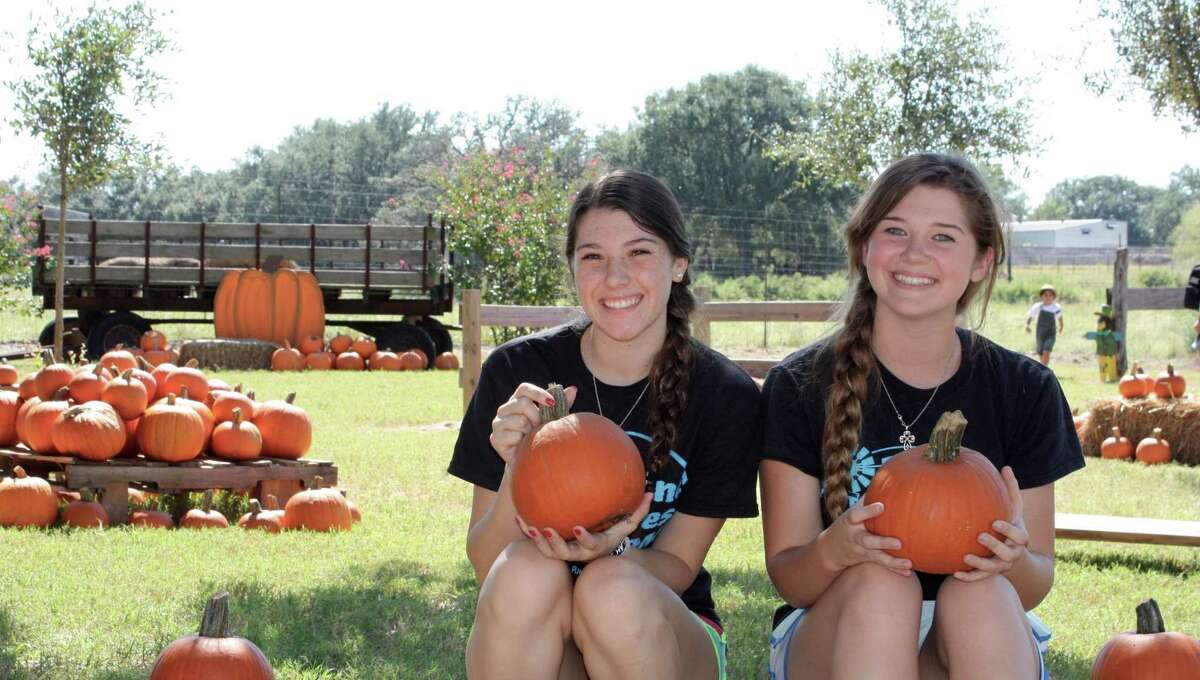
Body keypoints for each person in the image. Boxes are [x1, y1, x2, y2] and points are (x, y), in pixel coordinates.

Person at [759, 153, 1085, 680]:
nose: (915, 254)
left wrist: (1012, 561)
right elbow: (792, 578)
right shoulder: (800, 384)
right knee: (883, 585)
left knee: (976, 595)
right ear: (865, 247)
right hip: (837, 624)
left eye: (943, 237)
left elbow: (1033, 583)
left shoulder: (1025, 389)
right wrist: (834, 549)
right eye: (895, 230)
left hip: (974, 637)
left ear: (982, 260)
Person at [448, 170, 760, 680]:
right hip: (548, 632)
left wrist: (602, 559)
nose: (616, 277)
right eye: (593, 256)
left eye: (639, 252)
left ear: (678, 264)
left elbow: (678, 566)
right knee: (524, 572)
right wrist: (516, 464)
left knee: (610, 590)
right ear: (573, 268)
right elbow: (488, 567)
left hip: (661, 630)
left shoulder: (724, 394)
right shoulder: (517, 373)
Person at [1024, 284, 1063, 365]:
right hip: (1040, 333)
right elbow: (1030, 316)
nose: (1047, 297)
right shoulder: (1038, 306)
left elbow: (1060, 318)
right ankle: (1043, 367)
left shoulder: (1056, 307)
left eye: (1050, 295)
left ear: (1053, 297)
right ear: (1041, 296)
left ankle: (1045, 368)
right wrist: (1027, 325)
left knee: (1047, 350)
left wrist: (1061, 327)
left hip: (1050, 333)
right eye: (1045, 295)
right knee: (1041, 352)